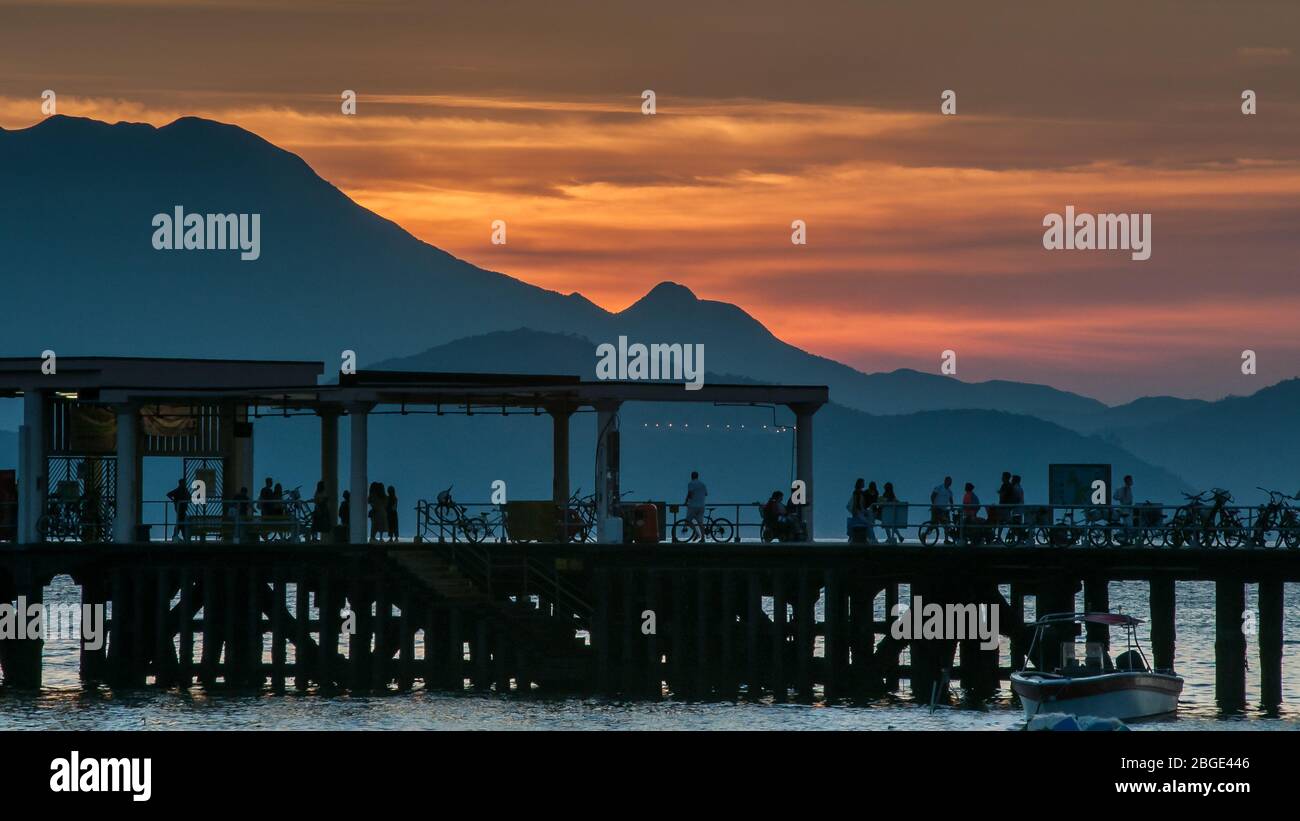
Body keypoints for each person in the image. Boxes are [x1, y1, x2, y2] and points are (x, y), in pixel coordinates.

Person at [931, 476, 955, 543]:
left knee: (947, 524)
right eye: (949, 481)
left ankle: (946, 539)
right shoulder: (939, 488)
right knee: (933, 525)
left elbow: (951, 500)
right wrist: (934, 505)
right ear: (945, 481)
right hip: (936, 509)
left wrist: (952, 507)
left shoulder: (949, 491)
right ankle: (924, 535)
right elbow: (932, 496)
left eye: (951, 482)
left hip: (944, 510)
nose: (950, 483)